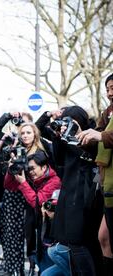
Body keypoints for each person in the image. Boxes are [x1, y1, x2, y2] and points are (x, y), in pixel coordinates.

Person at [51, 106, 103, 275]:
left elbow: (89, 157)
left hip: (85, 196)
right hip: (68, 194)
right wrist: (59, 138)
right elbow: (58, 160)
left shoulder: (91, 136)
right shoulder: (66, 138)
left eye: (71, 122)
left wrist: (74, 136)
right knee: (67, 243)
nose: (67, 125)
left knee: (79, 242)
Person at [0, 122, 49, 275]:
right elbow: (7, 183)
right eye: (23, 133)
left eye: (29, 132)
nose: (25, 135)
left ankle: (35, 267)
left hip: (32, 197)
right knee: (12, 236)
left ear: (35, 134)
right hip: (13, 197)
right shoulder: (15, 151)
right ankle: (15, 270)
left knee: (32, 237)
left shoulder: (41, 151)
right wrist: (11, 165)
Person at [76, 73, 113, 274]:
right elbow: (97, 140)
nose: (109, 93)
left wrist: (100, 135)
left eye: (112, 88)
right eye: (107, 89)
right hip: (106, 183)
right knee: (103, 238)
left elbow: (102, 136)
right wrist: (82, 137)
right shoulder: (107, 112)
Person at [4, 151, 61, 273]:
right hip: (35, 227)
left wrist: (23, 183)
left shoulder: (54, 181)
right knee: (39, 259)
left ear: (44, 167)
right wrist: (11, 171)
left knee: (46, 264)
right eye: (28, 169)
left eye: (33, 168)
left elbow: (37, 202)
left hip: (48, 232)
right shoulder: (32, 177)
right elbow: (9, 186)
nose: (30, 172)